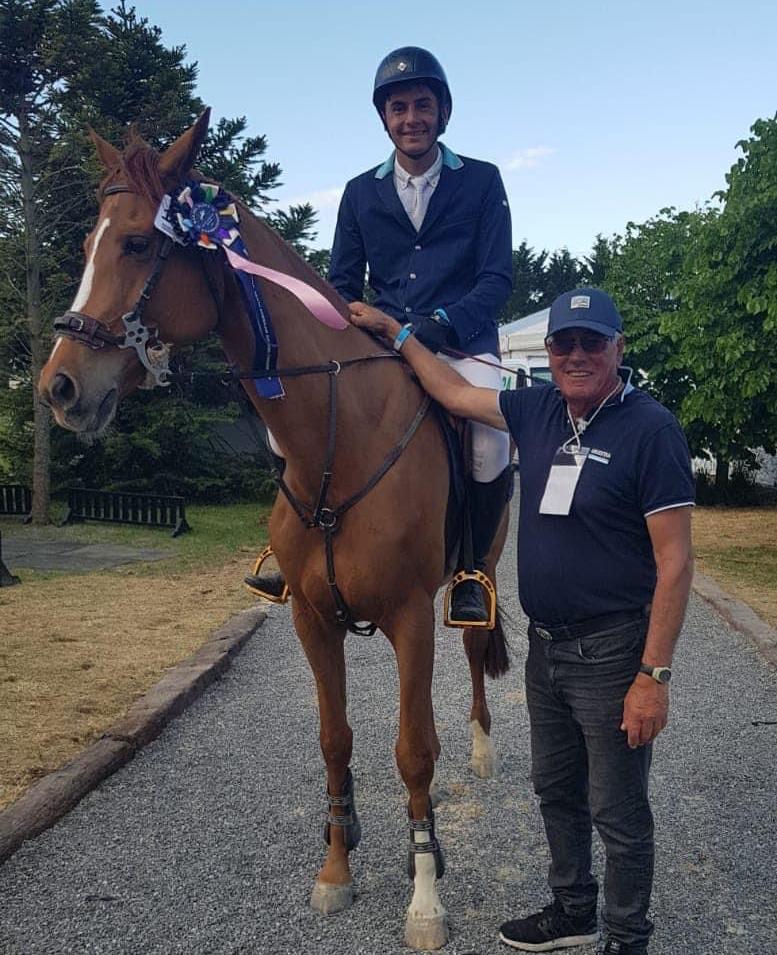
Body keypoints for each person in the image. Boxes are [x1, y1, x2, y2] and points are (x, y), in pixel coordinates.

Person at [349, 287, 695, 955]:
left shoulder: (650, 429)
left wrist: (652, 675)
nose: (575, 355)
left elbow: (675, 562)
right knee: (555, 790)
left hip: (612, 650)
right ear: (549, 351)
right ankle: (573, 910)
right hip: (546, 647)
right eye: (564, 343)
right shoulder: (537, 408)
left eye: (591, 342)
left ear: (618, 348)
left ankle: (627, 937)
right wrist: (397, 333)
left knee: (617, 810)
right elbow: (453, 392)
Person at [246, 45, 514, 623]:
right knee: (284, 431)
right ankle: (290, 548)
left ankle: (471, 569)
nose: (411, 118)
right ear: (384, 118)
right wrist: (345, 332)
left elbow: (496, 279)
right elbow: (342, 283)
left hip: (460, 346)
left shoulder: (482, 181)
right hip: (380, 348)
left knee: (491, 442)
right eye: (398, 108)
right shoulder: (359, 192)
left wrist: (439, 326)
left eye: (422, 105)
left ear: (442, 112)